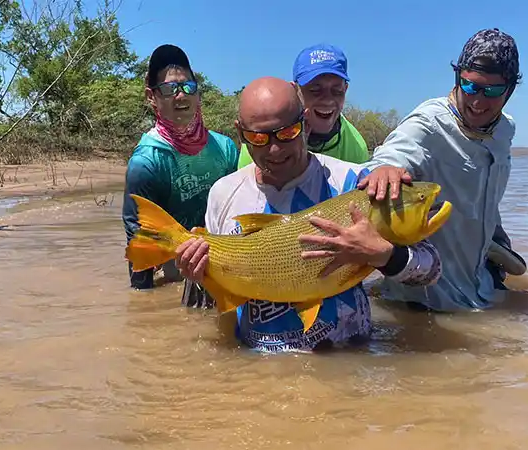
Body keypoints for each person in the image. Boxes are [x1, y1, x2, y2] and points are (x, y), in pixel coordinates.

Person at [176, 76, 442, 353]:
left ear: (304, 122)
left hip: (347, 360)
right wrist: (197, 273)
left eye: (287, 133)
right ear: (241, 133)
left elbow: (431, 270)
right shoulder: (223, 193)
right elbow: (221, 303)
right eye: (258, 138)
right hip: (255, 371)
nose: (275, 149)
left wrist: (384, 256)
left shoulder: (354, 184)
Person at [358, 28, 526, 312]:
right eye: (470, 86)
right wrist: (384, 167)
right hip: (425, 303)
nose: (478, 101)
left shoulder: (505, 130)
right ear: (457, 77)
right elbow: (393, 153)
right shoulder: (429, 123)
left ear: (509, 90)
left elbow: (484, 201)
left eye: (493, 91)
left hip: (481, 288)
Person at [122, 44, 240, 291]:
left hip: (227, 255)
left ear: (198, 94)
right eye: (169, 89)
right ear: (151, 97)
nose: (181, 95)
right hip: (180, 265)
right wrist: (144, 306)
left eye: (188, 87)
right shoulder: (146, 163)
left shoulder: (226, 148)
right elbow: (139, 240)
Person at [236, 43, 369, 169]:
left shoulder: (355, 147)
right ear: (295, 90)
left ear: (345, 89)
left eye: (337, 91)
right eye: (315, 90)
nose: (328, 100)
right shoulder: (261, 135)